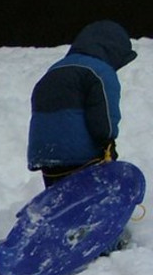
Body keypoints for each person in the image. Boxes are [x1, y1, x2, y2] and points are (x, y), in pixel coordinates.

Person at [27, 20, 137, 188]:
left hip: (45, 156)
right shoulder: (100, 72)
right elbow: (104, 117)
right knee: (88, 202)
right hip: (81, 157)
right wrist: (108, 142)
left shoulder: (54, 70)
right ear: (113, 49)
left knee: (61, 204)